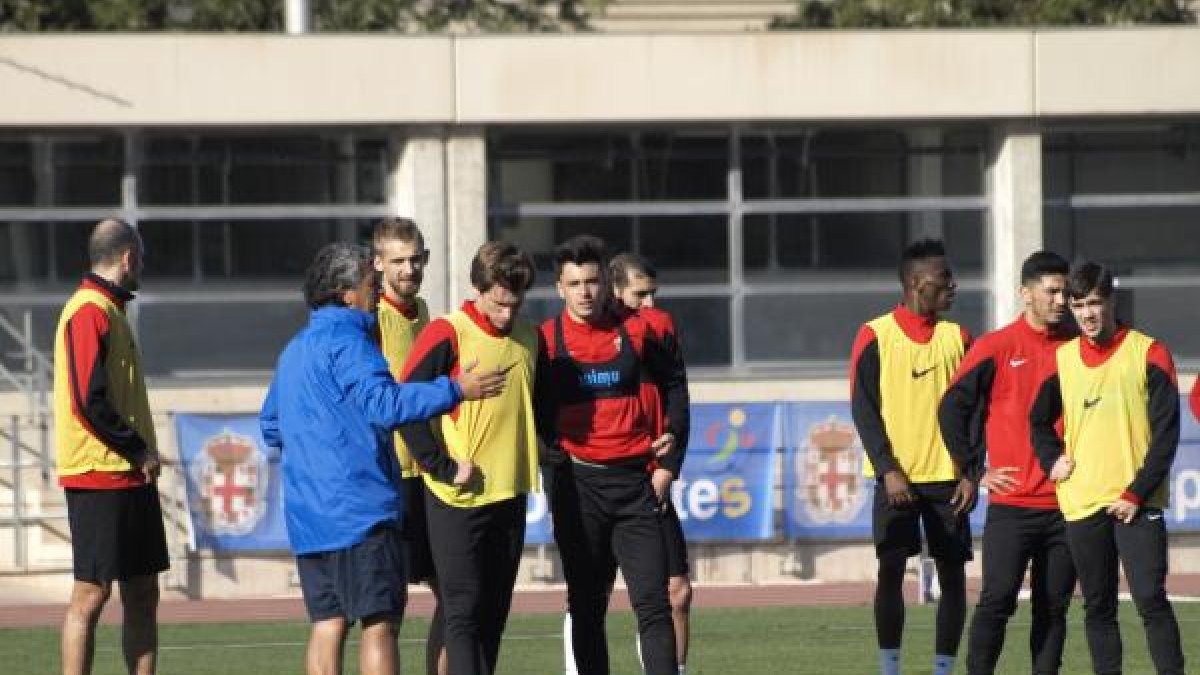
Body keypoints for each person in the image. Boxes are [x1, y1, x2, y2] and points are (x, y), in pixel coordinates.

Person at [259, 243, 506, 675]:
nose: (377, 292)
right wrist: (455, 390)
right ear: (345, 293)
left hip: (309, 514)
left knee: (328, 623)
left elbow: (271, 425)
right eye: (370, 284)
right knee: (381, 623)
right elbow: (386, 404)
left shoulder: (294, 349)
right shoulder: (350, 341)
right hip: (360, 508)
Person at [539, 236, 689, 675]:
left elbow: (675, 385)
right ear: (559, 288)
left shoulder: (639, 330)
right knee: (587, 605)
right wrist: (555, 467)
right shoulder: (545, 341)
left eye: (592, 281)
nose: (584, 292)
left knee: (654, 604)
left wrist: (669, 453)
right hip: (579, 488)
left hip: (635, 486)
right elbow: (533, 413)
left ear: (605, 282)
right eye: (574, 283)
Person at [1030, 262, 1185, 675]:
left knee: (1150, 599)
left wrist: (1135, 493)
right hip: (1083, 502)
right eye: (1079, 305)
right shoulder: (1062, 359)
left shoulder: (1150, 353)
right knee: (1098, 607)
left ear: (1112, 301)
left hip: (1138, 502)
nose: (1087, 314)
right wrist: (1050, 459)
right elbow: (1038, 422)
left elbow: (1166, 436)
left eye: (1095, 303)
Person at [398, 241, 541, 675]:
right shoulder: (448, 331)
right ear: (478, 288)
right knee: (462, 611)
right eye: (499, 304)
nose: (507, 315)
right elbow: (405, 406)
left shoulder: (530, 337)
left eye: (515, 304)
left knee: (494, 614)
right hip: (456, 498)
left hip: (510, 494)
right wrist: (442, 466)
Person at [939, 251, 1076, 675]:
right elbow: (951, 408)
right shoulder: (996, 346)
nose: (1061, 300)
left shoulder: (1078, 346)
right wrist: (975, 471)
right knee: (996, 602)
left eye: (1065, 292)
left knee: (1053, 609)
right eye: (1051, 291)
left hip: (1068, 505)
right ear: (1025, 293)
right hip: (1012, 506)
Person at [849, 238, 975, 675]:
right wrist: (888, 469)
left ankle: (943, 669)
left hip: (948, 479)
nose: (953, 285)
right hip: (896, 480)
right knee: (890, 570)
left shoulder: (959, 337)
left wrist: (970, 471)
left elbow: (975, 410)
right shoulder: (875, 334)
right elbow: (864, 409)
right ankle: (890, 669)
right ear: (917, 283)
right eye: (945, 278)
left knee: (953, 576)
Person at [54, 219, 167, 675]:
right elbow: (89, 400)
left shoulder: (111, 310)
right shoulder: (88, 310)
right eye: (142, 257)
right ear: (128, 257)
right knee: (91, 592)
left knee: (142, 591)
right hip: (99, 473)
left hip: (130, 476)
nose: (143, 265)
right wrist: (138, 449)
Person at [371, 217, 446, 675]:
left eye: (415, 259)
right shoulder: (370, 319)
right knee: (388, 610)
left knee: (454, 596)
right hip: (388, 476)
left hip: (431, 472)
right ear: (378, 263)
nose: (408, 269)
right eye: (398, 261)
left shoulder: (426, 314)